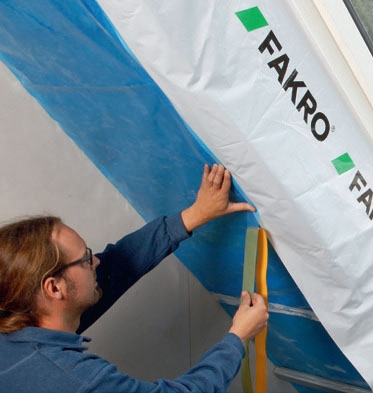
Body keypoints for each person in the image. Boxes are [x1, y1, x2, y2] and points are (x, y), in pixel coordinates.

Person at [0, 163, 268, 393]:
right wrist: (237, 338)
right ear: (54, 288)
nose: (96, 262)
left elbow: (115, 269)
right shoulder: (73, 379)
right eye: (86, 259)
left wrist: (196, 214)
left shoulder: (18, 318)